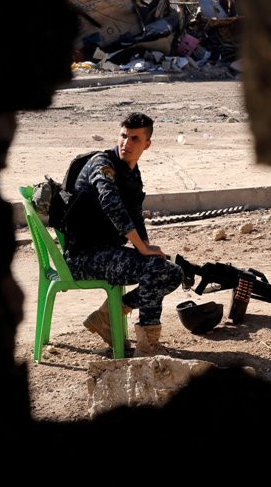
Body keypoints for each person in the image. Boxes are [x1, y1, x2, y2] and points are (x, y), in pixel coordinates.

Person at [62, 111, 185, 357]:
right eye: (123, 136)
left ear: (147, 144)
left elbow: (135, 214)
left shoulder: (132, 172)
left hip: (107, 252)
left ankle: (107, 316)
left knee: (173, 273)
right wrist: (141, 248)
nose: (126, 144)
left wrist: (148, 247)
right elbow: (110, 202)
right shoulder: (102, 163)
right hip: (83, 256)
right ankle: (148, 345)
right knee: (154, 268)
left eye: (135, 139)